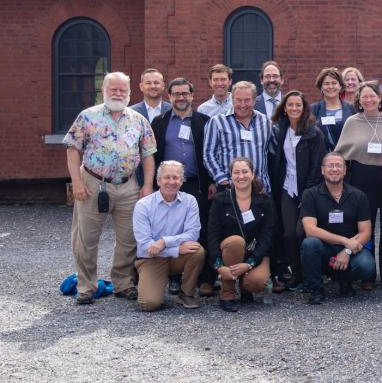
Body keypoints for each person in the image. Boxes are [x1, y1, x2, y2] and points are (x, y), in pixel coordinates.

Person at [64, 72, 156, 304]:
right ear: (103, 90)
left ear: (129, 93)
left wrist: (146, 185)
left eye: (122, 90)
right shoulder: (87, 117)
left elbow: (148, 155)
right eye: (113, 89)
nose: (117, 93)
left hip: (128, 185)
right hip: (93, 183)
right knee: (85, 238)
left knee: (129, 238)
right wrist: (76, 182)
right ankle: (86, 286)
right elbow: (73, 149)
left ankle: (123, 283)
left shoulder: (138, 120)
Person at [150, 77, 213, 296]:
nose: (181, 97)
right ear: (170, 97)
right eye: (176, 93)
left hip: (197, 185)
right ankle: (175, 279)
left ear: (192, 96)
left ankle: (205, 278)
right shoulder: (160, 122)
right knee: (171, 229)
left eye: (185, 93)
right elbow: (152, 155)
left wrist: (212, 181)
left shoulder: (205, 121)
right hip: (169, 186)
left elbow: (211, 152)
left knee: (201, 229)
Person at [334, 82, 382, 289]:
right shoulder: (352, 121)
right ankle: (368, 275)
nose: (369, 100)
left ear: (380, 98)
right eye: (364, 97)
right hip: (361, 178)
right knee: (363, 227)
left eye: (373, 96)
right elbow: (340, 152)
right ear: (359, 100)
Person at [268, 90, 327, 291]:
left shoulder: (314, 133)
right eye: (290, 105)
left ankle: (312, 276)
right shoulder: (281, 129)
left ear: (304, 109)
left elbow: (317, 164)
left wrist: (308, 192)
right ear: (284, 108)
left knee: (304, 233)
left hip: (308, 190)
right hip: (287, 188)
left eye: (298, 105)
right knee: (288, 234)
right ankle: (297, 275)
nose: (294, 108)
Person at [299, 152, 375, 304]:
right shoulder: (310, 194)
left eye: (339, 165)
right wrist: (345, 242)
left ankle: (344, 281)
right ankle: (316, 289)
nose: (335, 169)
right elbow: (310, 230)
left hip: (351, 252)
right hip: (324, 250)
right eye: (330, 165)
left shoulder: (358, 196)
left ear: (345, 170)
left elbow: (366, 232)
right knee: (309, 244)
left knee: (367, 265)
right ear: (322, 170)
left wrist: (346, 251)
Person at [132, 161, 204, 311]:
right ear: (158, 181)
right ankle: (144, 277)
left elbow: (193, 233)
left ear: (182, 181)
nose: (172, 182)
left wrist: (164, 241)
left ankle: (187, 293)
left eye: (176, 178)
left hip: (176, 257)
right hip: (151, 259)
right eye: (167, 177)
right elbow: (146, 246)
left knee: (197, 251)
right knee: (149, 304)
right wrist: (175, 249)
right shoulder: (143, 205)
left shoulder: (190, 201)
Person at [207, 157, 275, 312]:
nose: (241, 176)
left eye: (245, 171)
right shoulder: (220, 200)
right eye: (236, 172)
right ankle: (228, 293)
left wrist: (250, 263)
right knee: (236, 242)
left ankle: (246, 288)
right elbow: (212, 235)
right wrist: (218, 266)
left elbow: (267, 236)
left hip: (254, 253)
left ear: (252, 174)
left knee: (257, 282)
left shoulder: (265, 201)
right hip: (229, 251)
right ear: (230, 176)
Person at [203, 81, 275, 193]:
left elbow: (271, 152)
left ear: (254, 100)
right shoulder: (217, 122)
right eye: (238, 100)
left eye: (247, 100)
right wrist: (222, 180)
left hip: (261, 189)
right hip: (230, 189)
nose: (242, 104)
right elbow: (208, 155)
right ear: (232, 100)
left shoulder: (265, 121)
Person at [311, 67, 356, 149]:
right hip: (320, 158)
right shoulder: (312, 109)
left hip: (347, 158)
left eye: (334, 83)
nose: (330, 86)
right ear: (321, 87)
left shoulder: (352, 109)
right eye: (326, 84)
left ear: (340, 86)